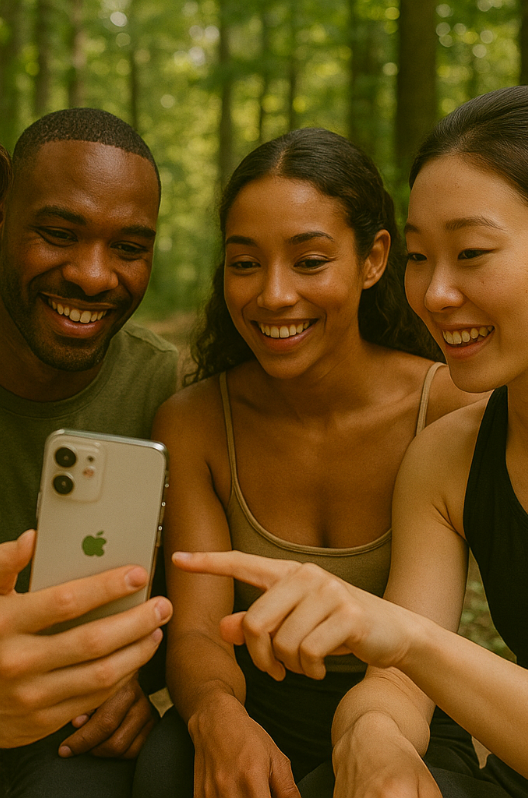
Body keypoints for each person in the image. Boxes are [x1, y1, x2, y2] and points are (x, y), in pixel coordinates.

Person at [171, 86, 528, 798]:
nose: (433, 293)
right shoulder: (451, 454)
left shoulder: (434, 407)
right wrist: (372, 736)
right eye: (424, 258)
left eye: (473, 252)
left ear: (368, 260)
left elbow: (408, 647)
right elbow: (396, 682)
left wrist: (405, 643)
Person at [0, 109, 178, 796]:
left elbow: (191, 607)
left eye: (129, 247)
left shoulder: (167, 391)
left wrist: (127, 671)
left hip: (73, 736)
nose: (93, 277)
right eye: (57, 234)